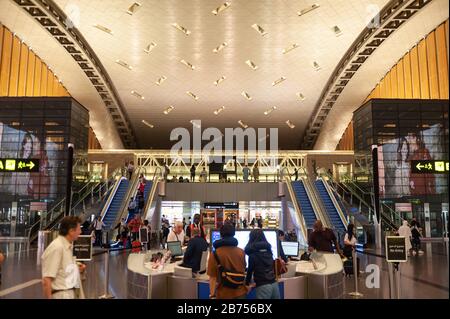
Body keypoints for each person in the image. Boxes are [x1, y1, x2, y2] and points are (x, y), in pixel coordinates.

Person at [41, 216, 86, 299]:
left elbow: (63, 271)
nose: (80, 232)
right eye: (79, 229)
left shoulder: (67, 247)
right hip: (61, 295)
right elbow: (47, 279)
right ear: (71, 231)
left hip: (70, 293)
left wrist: (77, 268)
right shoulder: (57, 247)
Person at [207, 222, 247, 299]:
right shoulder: (241, 252)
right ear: (234, 234)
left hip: (224, 294)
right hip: (240, 292)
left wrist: (212, 295)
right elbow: (243, 269)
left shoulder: (215, 253)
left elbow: (212, 277)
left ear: (221, 235)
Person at [245, 229, 280, 299]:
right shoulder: (269, 251)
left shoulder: (253, 255)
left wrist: (246, 284)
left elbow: (249, 271)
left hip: (263, 286)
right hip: (274, 284)